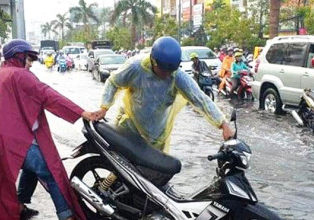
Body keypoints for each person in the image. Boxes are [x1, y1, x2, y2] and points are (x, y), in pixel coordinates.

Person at [0, 39, 99, 220]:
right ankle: (67, 219)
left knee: (28, 168)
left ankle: (19, 205)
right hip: (12, 143)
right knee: (50, 170)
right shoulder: (21, 75)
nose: (31, 63)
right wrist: (82, 113)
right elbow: (48, 96)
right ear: (19, 57)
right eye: (29, 59)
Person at [94, 36, 233, 153]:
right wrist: (104, 108)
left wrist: (223, 124)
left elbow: (200, 99)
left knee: (150, 178)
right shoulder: (135, 68)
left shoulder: (177, 76)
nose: (167, 74)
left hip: (156, 136)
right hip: (128, 127)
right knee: (122, 169)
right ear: (153, 61)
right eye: (163, 70)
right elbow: (113, 82)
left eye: (170, 70)